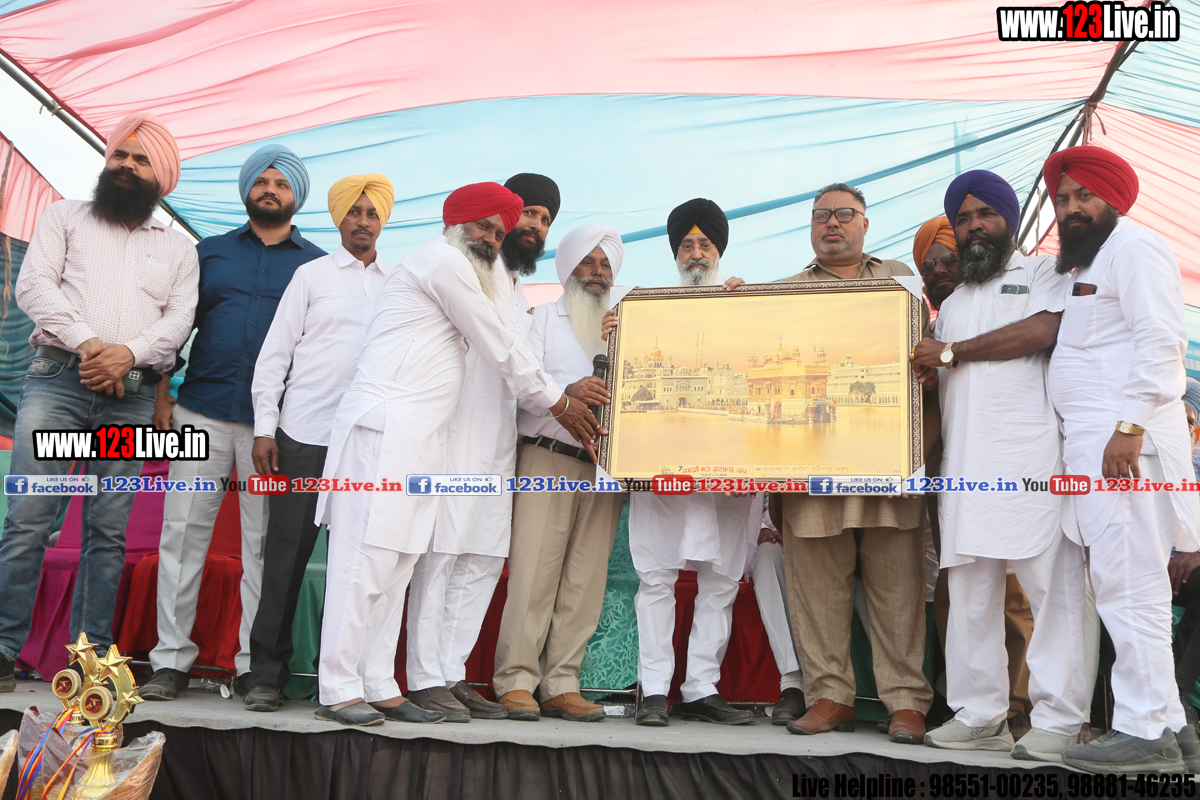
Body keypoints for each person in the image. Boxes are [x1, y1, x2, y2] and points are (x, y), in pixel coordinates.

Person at [313, 182, 601, 727]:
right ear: (456, 223)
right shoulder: (442, 262)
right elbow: (499, 344)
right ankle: (338, 687)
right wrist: (560, 402)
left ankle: (380, 685)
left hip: (423, 438)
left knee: (397, 565)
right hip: (383, 428)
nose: (492, 239)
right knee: (365, 562)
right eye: (484, 227)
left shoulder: (484, 277)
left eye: (498, 231)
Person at [0, 113, 197, 692]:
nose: (127, 165)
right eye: (120, 155)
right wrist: (92, 348)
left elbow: (179, 322)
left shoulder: (179, 249)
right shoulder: (64, 216)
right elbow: (34, 286)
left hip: (130, 400)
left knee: (107, 531)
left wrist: (127, 356)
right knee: (29, 519)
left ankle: (88, 661)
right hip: (57, 381)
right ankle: (4, 647)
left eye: (141, 159)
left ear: (161, 175)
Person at [910, 172, 1089, 762]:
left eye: (985, 214)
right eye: (963, 219)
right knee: (969, 592)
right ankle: (979, 714)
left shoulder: (1041, 273)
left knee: (1051, 592)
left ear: (1008, 219)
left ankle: (1060, 720)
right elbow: (941, 380)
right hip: (965, 468)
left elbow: (1044, 330)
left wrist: (951, 353)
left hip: (1032, 464)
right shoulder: (953, 305)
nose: (974, 227)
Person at [139, 145, 324, 701]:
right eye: (262, 181)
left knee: (264, 546)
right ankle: (170, 661)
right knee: (181, 536)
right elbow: (175, 327)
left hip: (274, 429)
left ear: (297, 196)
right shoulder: (209, 253)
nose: (270, 189)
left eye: (282, 183)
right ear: (247, 189)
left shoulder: (315, 266)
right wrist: (162, 397)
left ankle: (252, 665)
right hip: (200, 410)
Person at [1040, 146, 1200, 774]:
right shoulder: (1093, 259)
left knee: (1128, 588)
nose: (1071, 207)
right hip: (1104, 448)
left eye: (1084, 195)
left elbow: (1162, 342)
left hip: (1124, 449)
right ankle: (1173, 728)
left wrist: (1128, 428)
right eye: (1062, 198)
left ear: (1113, 199)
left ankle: (1143, 731)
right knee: (1130, 587)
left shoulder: (1134, 247)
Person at [776, 182, 935, 744]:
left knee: (898, 592)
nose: (832, 224)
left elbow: (930, 374)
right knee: (816, 590)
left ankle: (906, 703)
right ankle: (829, 697)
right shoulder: (783, 294)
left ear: (865, 224)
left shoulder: (901, 282)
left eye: (845, 214)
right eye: (821, 215)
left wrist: (918, 460)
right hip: (811, 471)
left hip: (889, 468)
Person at [403, 174, 562, 723]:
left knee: (484, 558)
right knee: (442, 555)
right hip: (454, 433)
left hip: (499, 440)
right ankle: (424, 678)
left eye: (543, 220)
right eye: (526, 215)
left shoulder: (518, 291)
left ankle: (450, 673)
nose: (531, 227)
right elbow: (501, 354)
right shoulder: (465, 267)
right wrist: (561, 402)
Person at [242, 175, 395, 711]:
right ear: (339, 218)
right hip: (305, 434)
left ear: (383, 220)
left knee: (357, 567)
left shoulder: (400, 283)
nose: (363, 221)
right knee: (285, 557)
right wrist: (265, 427)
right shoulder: (311, 275)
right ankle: (266, 675)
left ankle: (342, 680)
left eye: (372, 213)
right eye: (354, 211)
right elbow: (275, 355)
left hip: (368, 442)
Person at [614, 198, 757, 727]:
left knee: (721, 580)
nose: (696, 253)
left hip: (730, 467)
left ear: (719, 251)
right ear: (675, 254)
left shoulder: (744, 305)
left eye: (705, 244)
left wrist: (754, 311)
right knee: (656, 578)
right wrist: (615, 331)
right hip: (661, 466)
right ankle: (654, 690)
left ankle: (701, 689)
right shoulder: (644, 311)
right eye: (687, 245)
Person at [492, 224, 627, 722]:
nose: (596, 272)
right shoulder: (543, 318)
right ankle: (516, 680)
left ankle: (561, 683)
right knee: (534, 575)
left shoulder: (625, 325)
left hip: (605, 470)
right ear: (568, 269)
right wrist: (567, 392)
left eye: (605, 264)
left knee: (585, 582)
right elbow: (519, 388)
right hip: (548, 457)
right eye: (587, 262)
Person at [913, 216, 1039, 741]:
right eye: (929, 266)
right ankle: (970, 708)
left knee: (1017, 588)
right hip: (951, 468)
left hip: (1013, 465)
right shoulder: (938, 321)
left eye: (948, 259)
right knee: (960, 585)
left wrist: (949, 355)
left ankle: (1023, 707)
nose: (940, 271)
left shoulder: (1029, 283)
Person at [744, 495, 805, 724]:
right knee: (767, 556)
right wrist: (761, 529)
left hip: (829, 529)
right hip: (774, 533)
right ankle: (792, 681)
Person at [1169, 379, 1200, 730]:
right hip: (1137, 563)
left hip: (1187, 574)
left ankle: (1176, 695)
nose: (1179, 429)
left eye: (1187, 422)